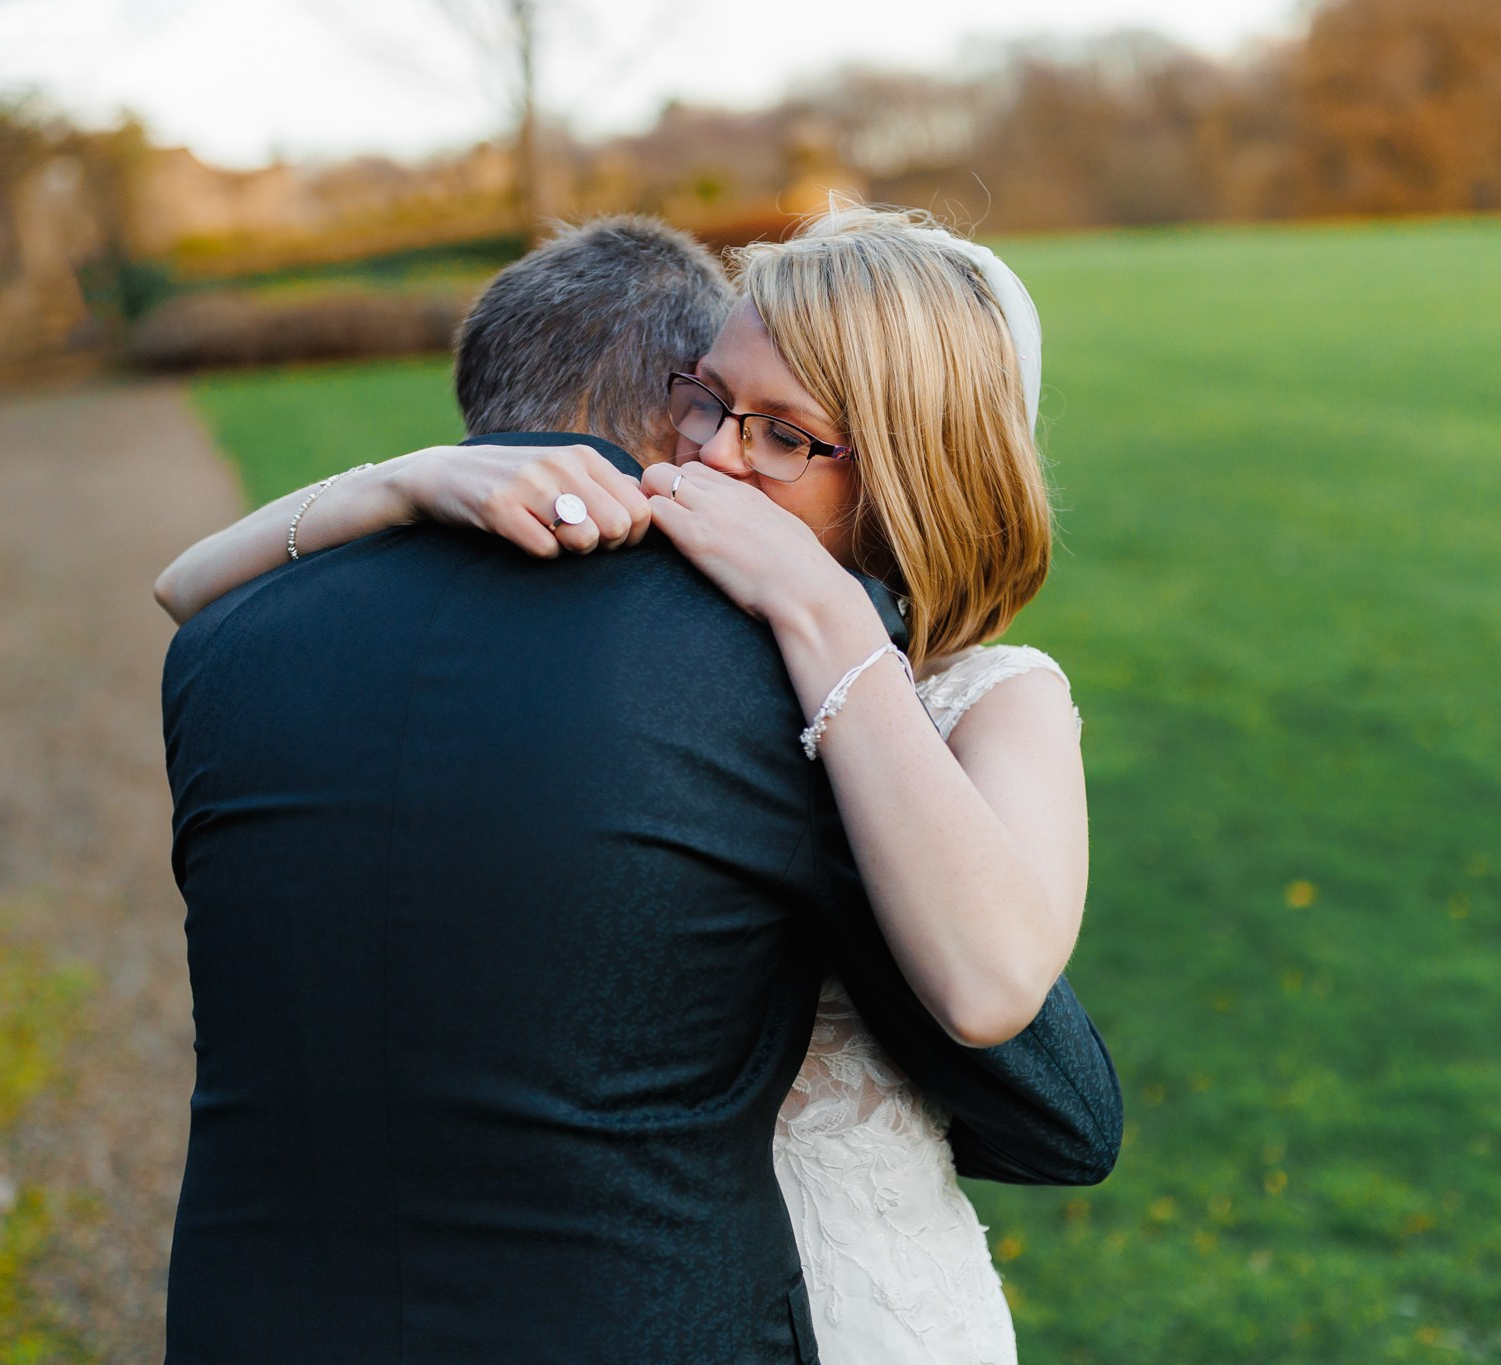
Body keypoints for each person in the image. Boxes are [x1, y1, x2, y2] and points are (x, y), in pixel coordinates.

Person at [157, 213, 1118, 1364]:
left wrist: (817, 612)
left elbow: (1002, 1009)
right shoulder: (723, 655)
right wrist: (400, 484)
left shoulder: (961, 692)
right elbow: (181, 590)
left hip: (854, 1290)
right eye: (706, 401)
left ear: (914, 470)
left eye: (781, 437)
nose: (704, 454)